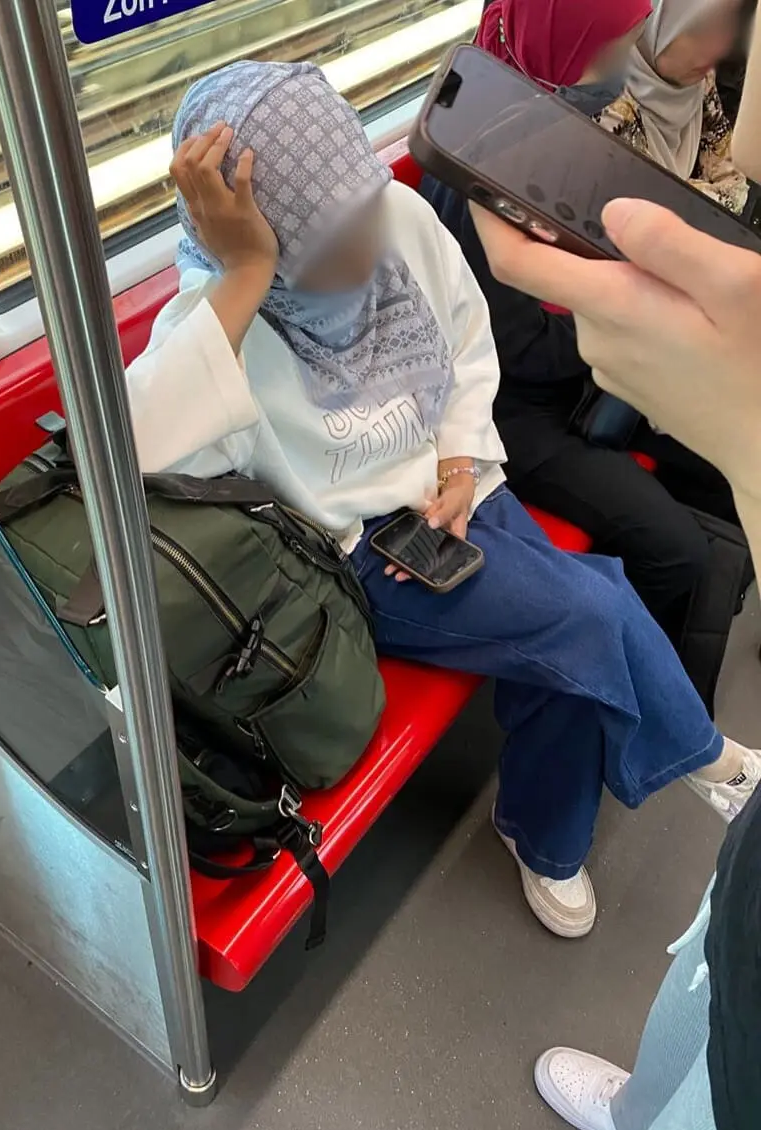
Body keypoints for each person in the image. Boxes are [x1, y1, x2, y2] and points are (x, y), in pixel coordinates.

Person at [126, 58, 761, 943]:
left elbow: (464, 344)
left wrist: (462, 463)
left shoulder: (396, 217)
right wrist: (244, 276)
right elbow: (135, 450)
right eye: (326, 241)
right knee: (592, 604)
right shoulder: (221, 314)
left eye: (364, 214)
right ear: (261, 242)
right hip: (359, 552)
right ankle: (707, 761)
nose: (366, 248)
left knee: (567, 649)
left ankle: (545, 835)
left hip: (459, 482)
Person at [468, 23, 761, 1130]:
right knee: (637, 575)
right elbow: (478, 366)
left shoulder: (603, 136)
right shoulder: (507, 159)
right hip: (519, 422)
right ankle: (653, 1103)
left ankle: (671, 730)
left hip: (571, 390)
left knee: (716, 552)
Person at [421, 0, 746, 713]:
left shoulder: (553, 119)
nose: (624, 65)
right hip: (510, 411)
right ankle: (658, 719)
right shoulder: (478, 161)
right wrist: (629, 316)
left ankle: (670, 706)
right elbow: (515, 349)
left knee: (727, 492)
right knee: (682, 555)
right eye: (616, 45)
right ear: (568, 47)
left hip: (582, 372)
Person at [600, 0, 748, 214]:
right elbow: (651, 206)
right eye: (697, 30)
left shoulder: (700, 82)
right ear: (656, 23)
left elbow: (735, 184)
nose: (716, 49)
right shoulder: (605, 105)